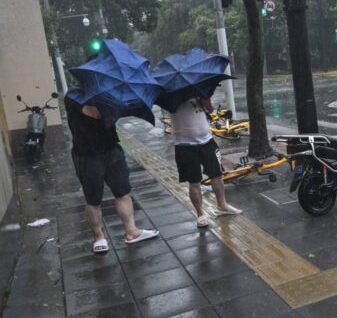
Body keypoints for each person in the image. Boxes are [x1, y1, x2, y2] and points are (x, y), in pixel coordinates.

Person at [65, 91, 159, 253]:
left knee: (123, 192)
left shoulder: (109, 94)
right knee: (93, 199)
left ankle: (131, 231)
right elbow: (94, 113)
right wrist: (114, 104)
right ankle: (99, 237)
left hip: (111, 149)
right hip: (87, 155)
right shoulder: (74, 96)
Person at [169, 97, 241, 227]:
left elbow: (211, 109)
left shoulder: (199, 90)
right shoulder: (170, 96)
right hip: (185, 145)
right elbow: (171, 108)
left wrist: (203, 99)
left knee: (217, 175)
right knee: (194, 181)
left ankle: (222, 205)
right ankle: (200, 214)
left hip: (207, 141)